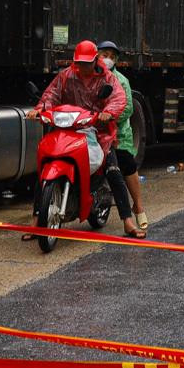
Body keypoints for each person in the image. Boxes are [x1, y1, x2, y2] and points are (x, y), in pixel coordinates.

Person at [32, 40, 145, 238]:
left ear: (94, 61)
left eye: (86, 63)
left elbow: (119, 98)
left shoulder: (107, 78)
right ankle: (36, 220)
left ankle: (128, 220)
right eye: (79, 63)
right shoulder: (66, 75)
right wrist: (40, 109)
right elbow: (51, 94)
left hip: (98, 131)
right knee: (45, 168)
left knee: (113, 170)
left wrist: (108, 113)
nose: (82, 67)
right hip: (69, 127)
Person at [96, 40, 146, 231]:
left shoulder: (120, 81)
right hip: (92, 130)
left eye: (111, 56)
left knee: (124, 165)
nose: (107, 59)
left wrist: (108, 117)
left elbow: (127, 108)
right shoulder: (88, 76)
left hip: (117, 134)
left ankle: (138, 206)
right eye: (104, 54)